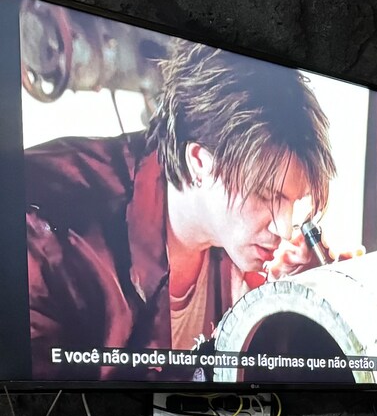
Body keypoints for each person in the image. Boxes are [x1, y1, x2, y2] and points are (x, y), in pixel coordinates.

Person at [24, 40, 337, 380]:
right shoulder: (45, 231)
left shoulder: (234, 243)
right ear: (200, 162)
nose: (285, 229)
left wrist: (290, 309)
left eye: (293, 201)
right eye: (266, 195)